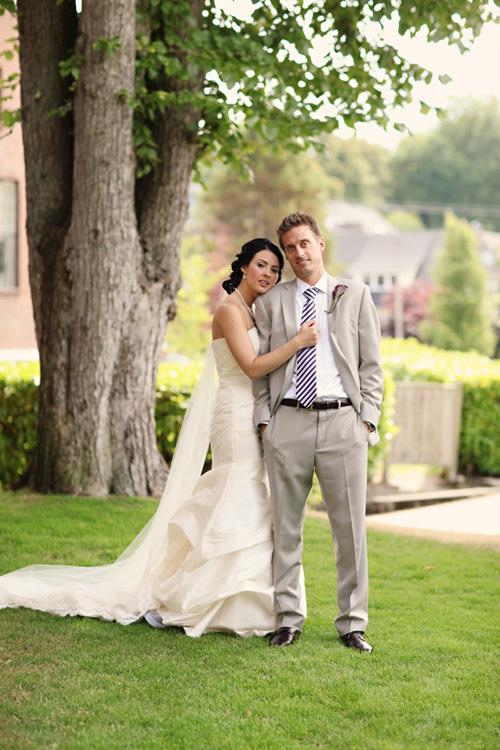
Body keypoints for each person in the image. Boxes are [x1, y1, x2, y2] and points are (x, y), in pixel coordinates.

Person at [0, 238, 317, 638]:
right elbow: (252, 367)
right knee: (239, 496)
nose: (269, 274)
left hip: (255, 416)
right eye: (262, 265)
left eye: (275, 268)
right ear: (243, 267)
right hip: (235, 416)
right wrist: (298, 342)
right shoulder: (229, 310)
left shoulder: (256, 312)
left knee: (255, 503)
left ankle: (250, 601)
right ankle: (200, 599)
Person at [253, 212, 383, 652]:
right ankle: (288, 620)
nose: (297, 253)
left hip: (343, 423)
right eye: (289, 248)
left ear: (320, 244)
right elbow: (261, 370)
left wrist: (368, 419)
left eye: (304, 243)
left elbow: (371, 365)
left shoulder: (356, 294)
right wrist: (265, 421)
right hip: (287, 421)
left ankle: (352, 624)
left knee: (349, 530)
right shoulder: (272, 301)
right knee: (285, 529)